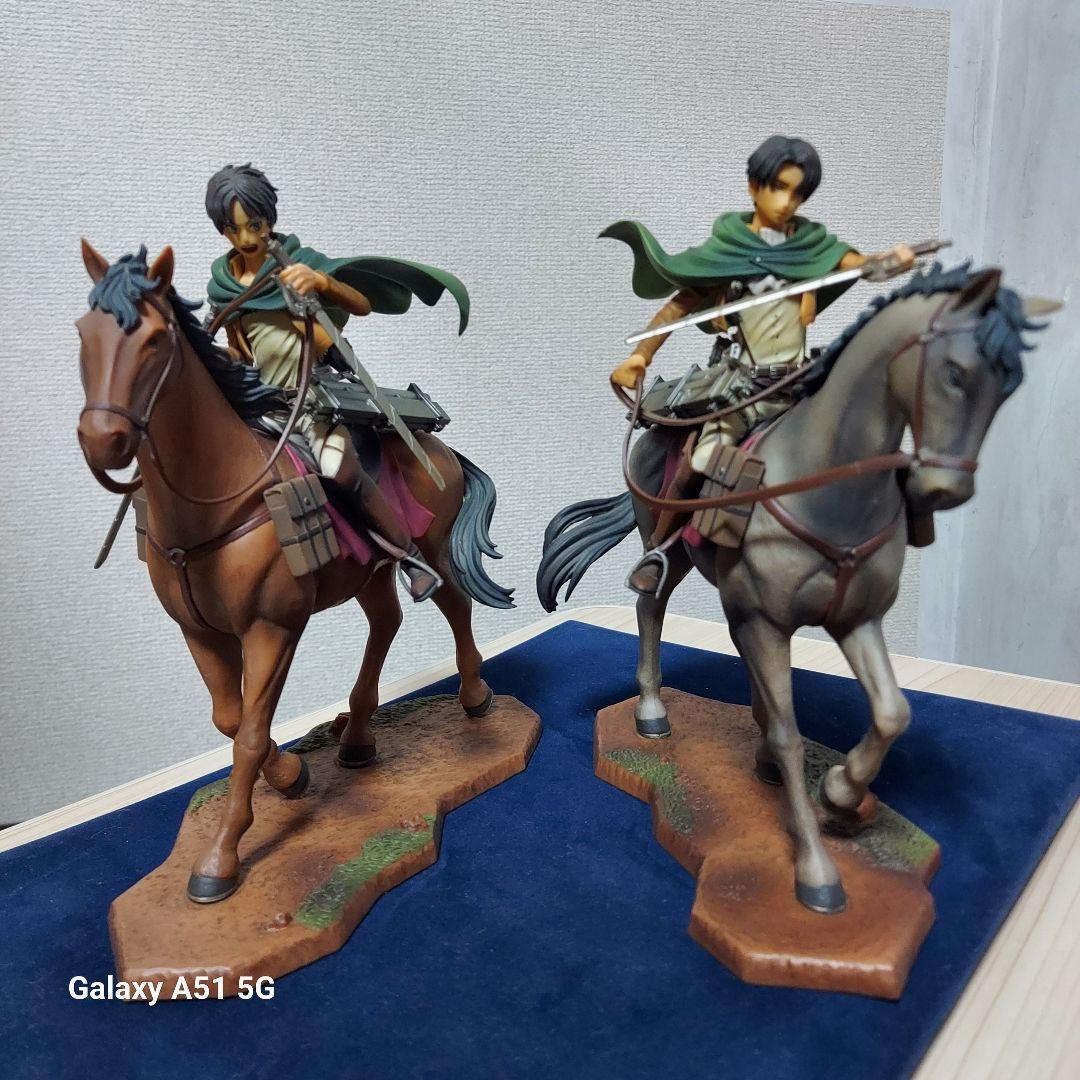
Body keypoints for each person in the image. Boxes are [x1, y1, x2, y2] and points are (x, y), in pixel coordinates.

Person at [604, 135, 915, 593]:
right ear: (754, 186)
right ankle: (661, 549)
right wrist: (640, 355)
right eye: (778, 188)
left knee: (864, 440)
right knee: (705, 457)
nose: (787, 203)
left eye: (798, 193)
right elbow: (679, 306)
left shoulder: (812, 248)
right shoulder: (729, 251)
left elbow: (865, 265)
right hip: (746, 388)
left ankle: (880, 534)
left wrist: (893, 262)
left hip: (802, 386)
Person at [205, 163, 470, 601]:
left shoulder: (296, 262)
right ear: (221, 230)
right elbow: (239, 350)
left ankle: (409, 558)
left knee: (338, 469)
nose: (248, 239)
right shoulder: (225, 287)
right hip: (261, 406)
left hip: (311, 402)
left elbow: (361, 305)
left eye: (255, 225)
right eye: (234, 229)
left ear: (269, 219)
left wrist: (321, 281)